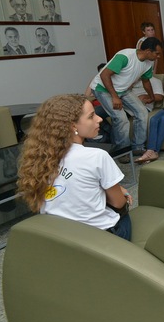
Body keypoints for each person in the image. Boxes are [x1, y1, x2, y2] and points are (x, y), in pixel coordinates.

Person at [16, 95, 132, 239]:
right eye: (91, 116)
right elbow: (118, 203)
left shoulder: (39, 158)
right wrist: (119, 193)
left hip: (61, 237)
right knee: (123, 211)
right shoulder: (97, 156)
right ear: (73, 126)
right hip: (100, 238)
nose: (99, 119)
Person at [91, 37, 163, 158]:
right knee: (121, 118)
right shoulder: (125, 56)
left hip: (123, 90)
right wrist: (115, 97)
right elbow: (104, 75)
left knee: (142, 112)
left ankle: (138, 147)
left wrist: (151, 97)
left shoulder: (148, 63)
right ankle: (123, 152)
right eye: (157, 53)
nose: (158, 56)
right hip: (103, 88)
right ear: (148, 51)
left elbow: (146, 81)